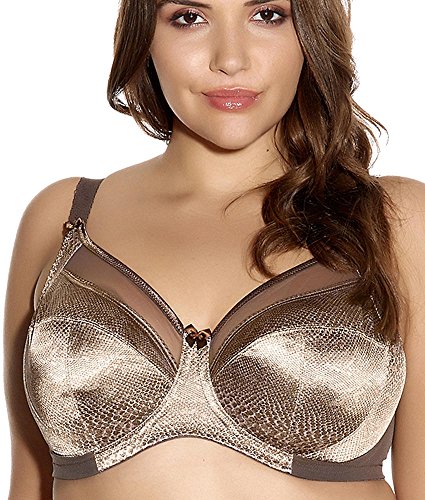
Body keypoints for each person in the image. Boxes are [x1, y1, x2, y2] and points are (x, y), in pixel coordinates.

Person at [3, 0, 425, 499]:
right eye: (189, 17)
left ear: (310, 33)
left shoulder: (393, 220)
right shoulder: (64, 218)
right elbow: (29, 482)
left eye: (267, 15)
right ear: (145, 35)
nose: (230, 59)